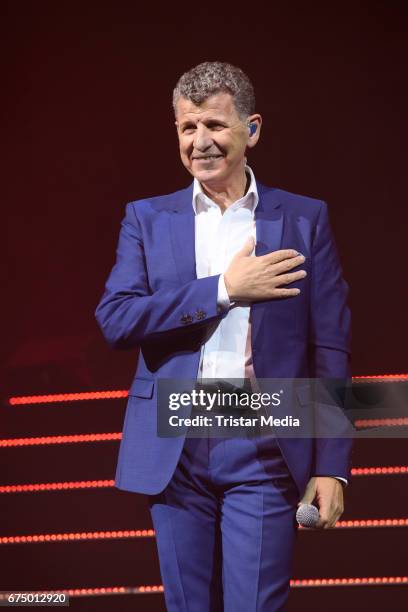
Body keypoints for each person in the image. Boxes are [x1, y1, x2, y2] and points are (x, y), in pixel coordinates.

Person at [95, 61, 353, 611]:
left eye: (214, 125)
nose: (200, 142)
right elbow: (116, 319)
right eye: (188, 129)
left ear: (252, 130)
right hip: (176, 444)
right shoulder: (146, 218)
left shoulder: (304, 219)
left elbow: (328, 348)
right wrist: (224, 290)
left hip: (262, 442)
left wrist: (332, 464)